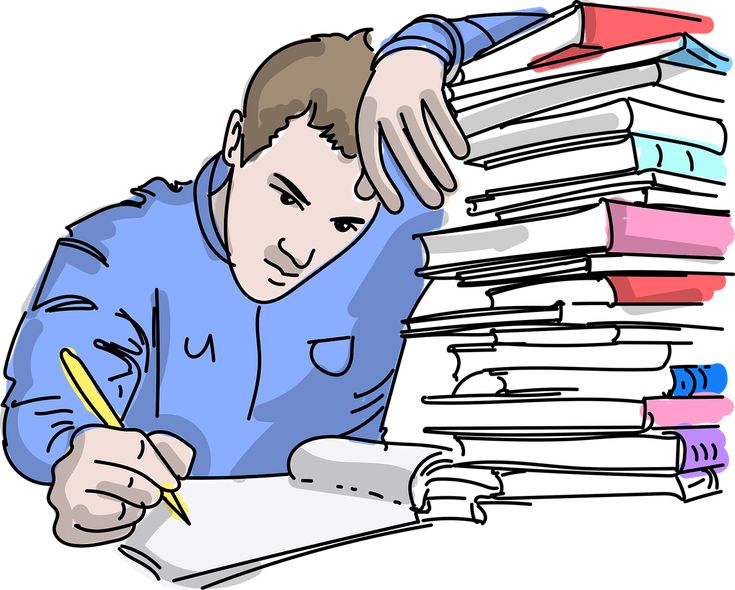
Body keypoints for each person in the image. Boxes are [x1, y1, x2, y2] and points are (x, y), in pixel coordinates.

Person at [2, 9, 548, 546]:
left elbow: (576, 28)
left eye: (343, 223)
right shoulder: (117, 250)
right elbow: (44, 401)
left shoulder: (396, 230)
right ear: (236, 141)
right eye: (286, 195)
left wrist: (427, 45)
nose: (300, 247)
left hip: (366, 550)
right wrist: (75, 456)